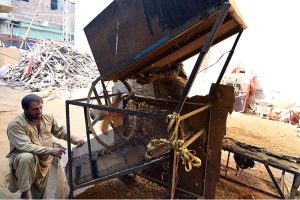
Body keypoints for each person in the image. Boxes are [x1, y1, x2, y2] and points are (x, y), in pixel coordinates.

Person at [6, 94, 85, 199]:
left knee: (40, 193)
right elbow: (25, 146)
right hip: (23, 158)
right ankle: (25, 192)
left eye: (41, 107)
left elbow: (60, 131)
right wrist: (50, 150)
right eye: (35, 109)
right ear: (25, 109)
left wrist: (74, 139)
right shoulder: (15, 124)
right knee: (27, 157)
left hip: (44, 159)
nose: (39, 111)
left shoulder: (48, 117)